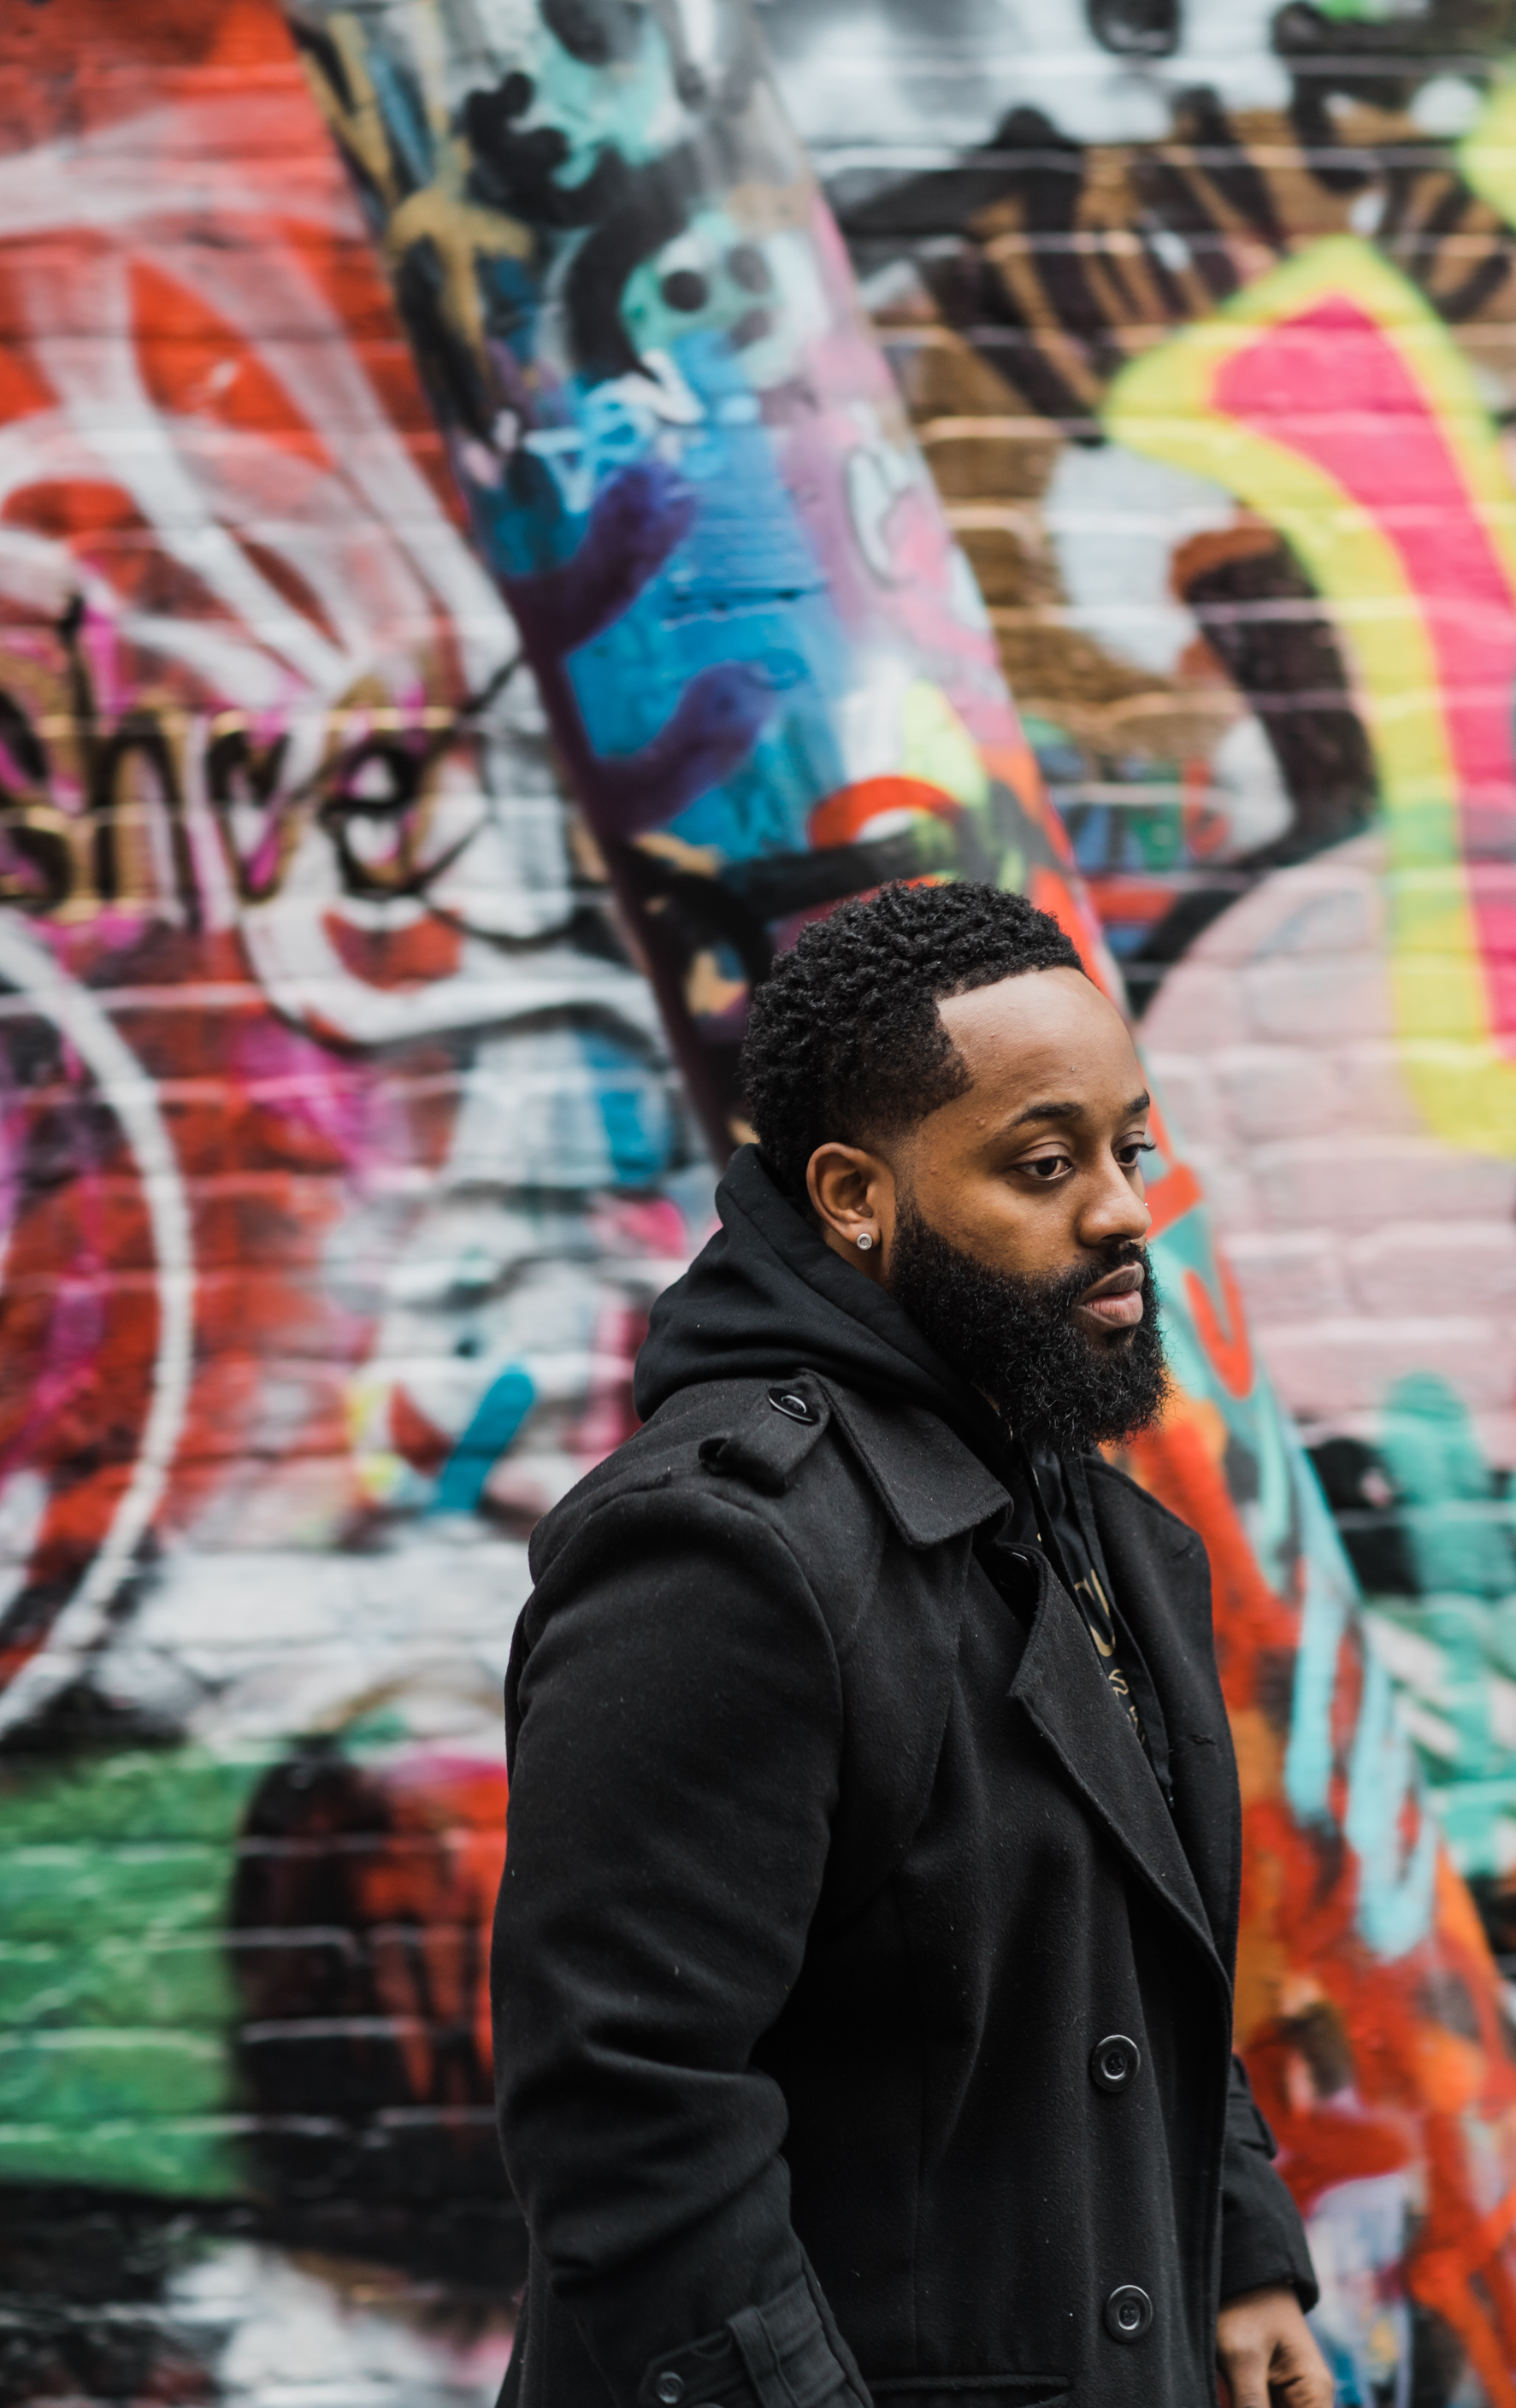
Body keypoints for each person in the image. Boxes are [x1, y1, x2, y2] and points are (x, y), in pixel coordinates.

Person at [492, 880, 1330, 2408]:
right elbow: (627, 2113)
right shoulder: (721, 1557)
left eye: (1128, 1145)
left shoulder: (1061, 1498)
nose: (1123, 1205)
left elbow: (1114, 1952)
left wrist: (1237, 2232)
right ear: (855, 1196)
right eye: (1043, 1162)